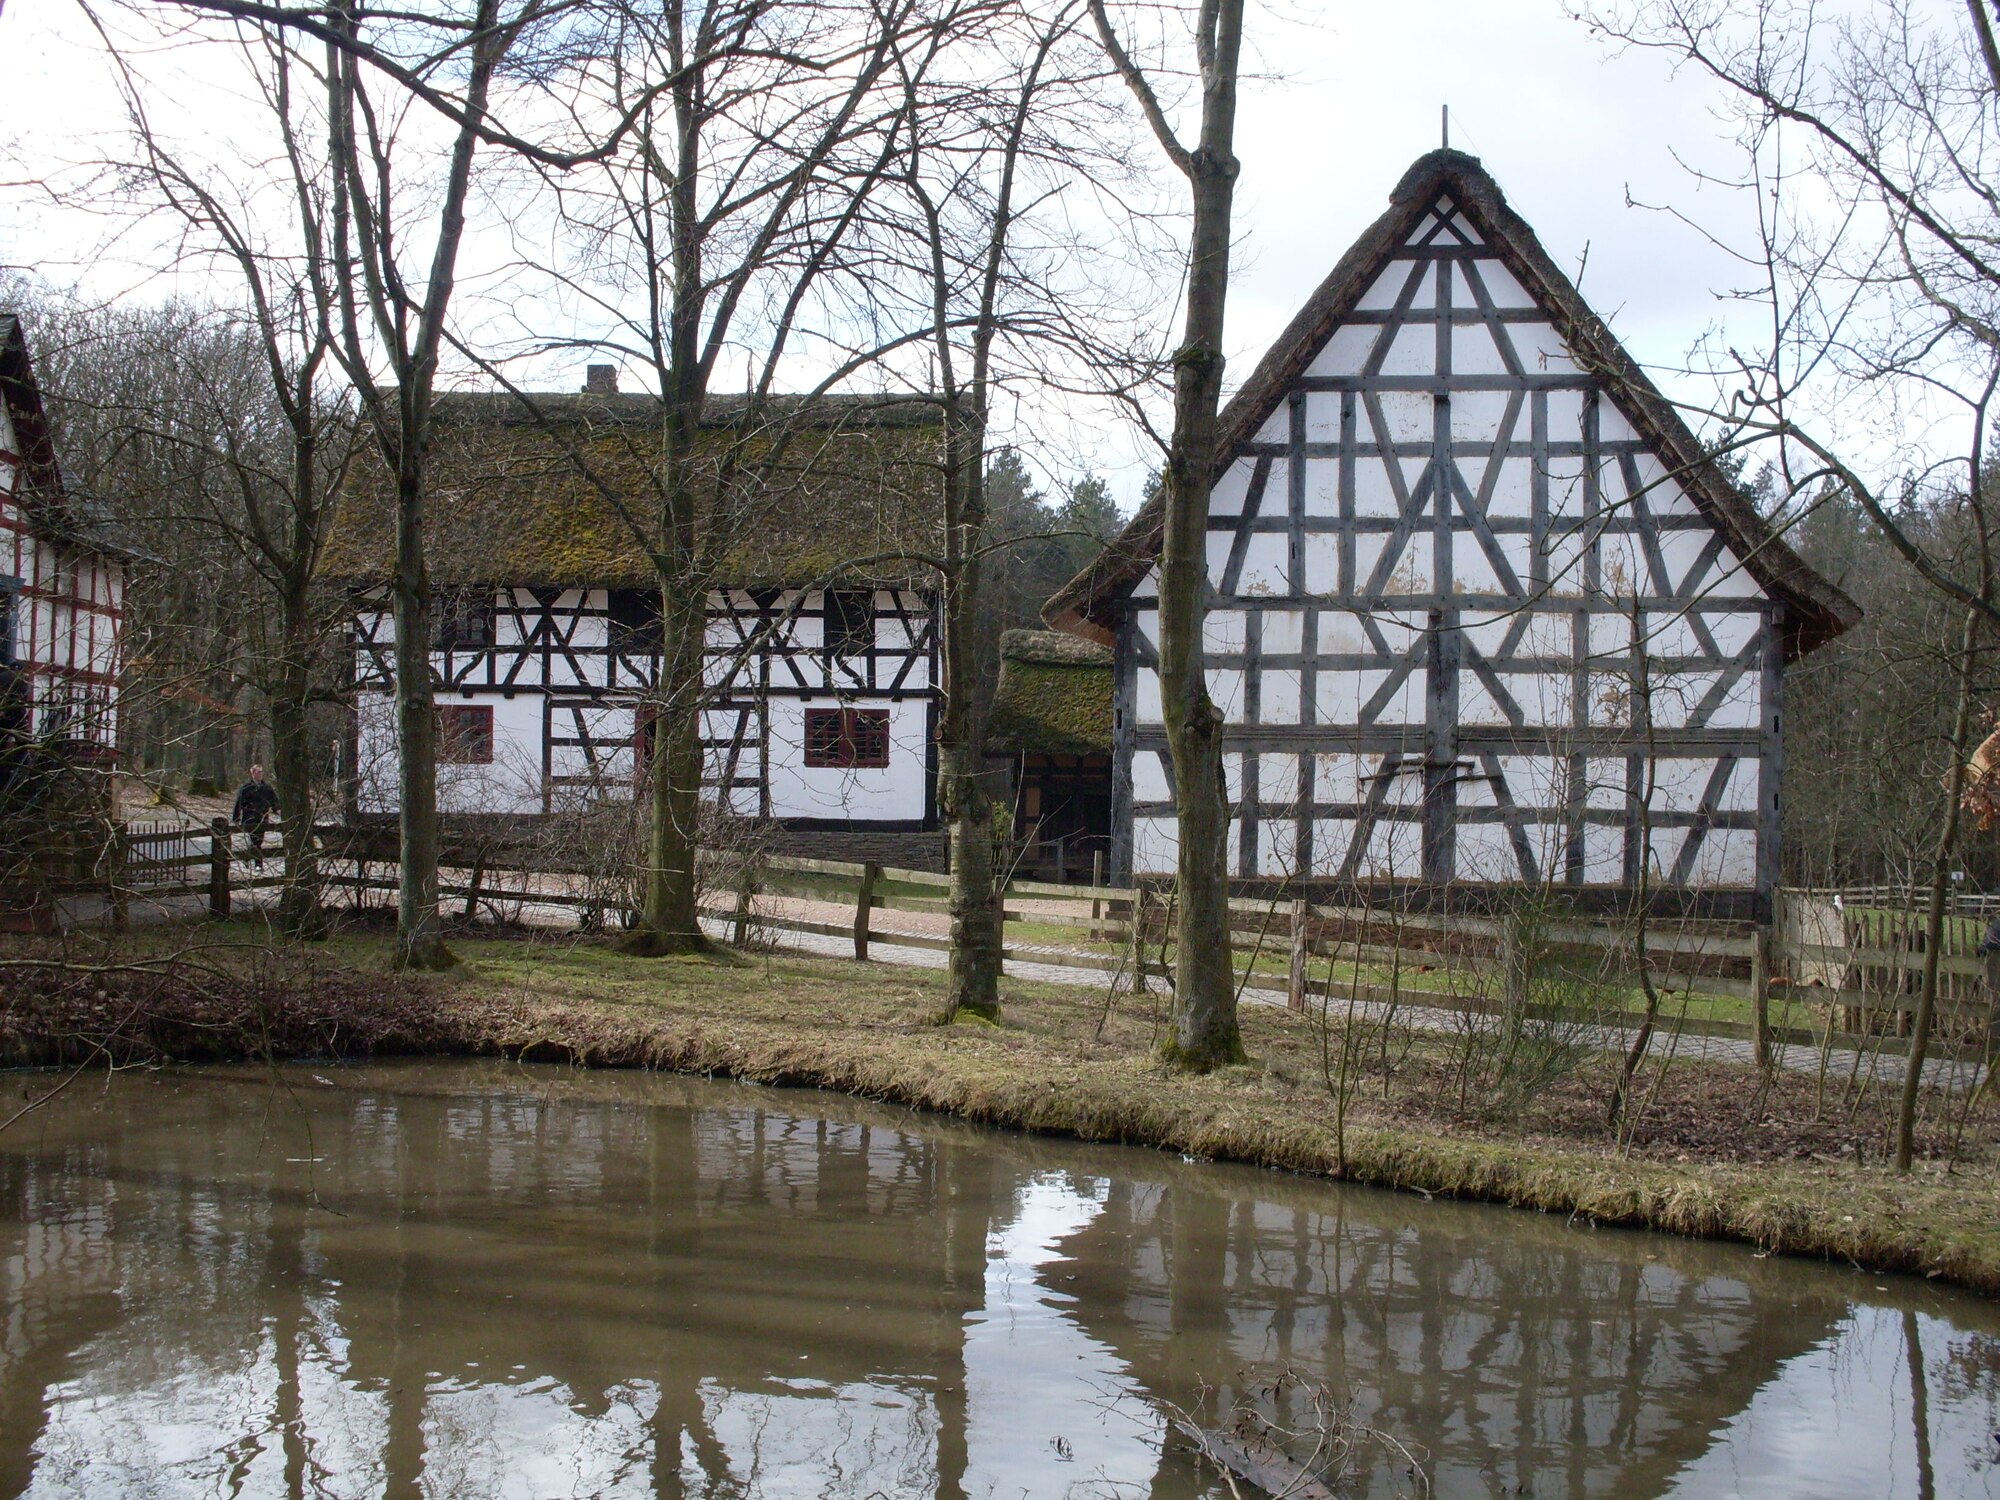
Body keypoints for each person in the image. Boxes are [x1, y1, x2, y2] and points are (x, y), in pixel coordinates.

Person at [231, 764, 280, 867]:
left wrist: (278, 810)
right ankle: (258, 864)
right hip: (250, 817)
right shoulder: (246, 788)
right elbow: (239, 803)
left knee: (258, 840)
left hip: (263, 817)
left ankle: (246, 857)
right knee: (255, 839)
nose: (260, 775)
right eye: (257, 772)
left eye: (261, 772)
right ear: (252, 774)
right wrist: (236, 817)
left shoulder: (267, 788)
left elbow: (274, 801)